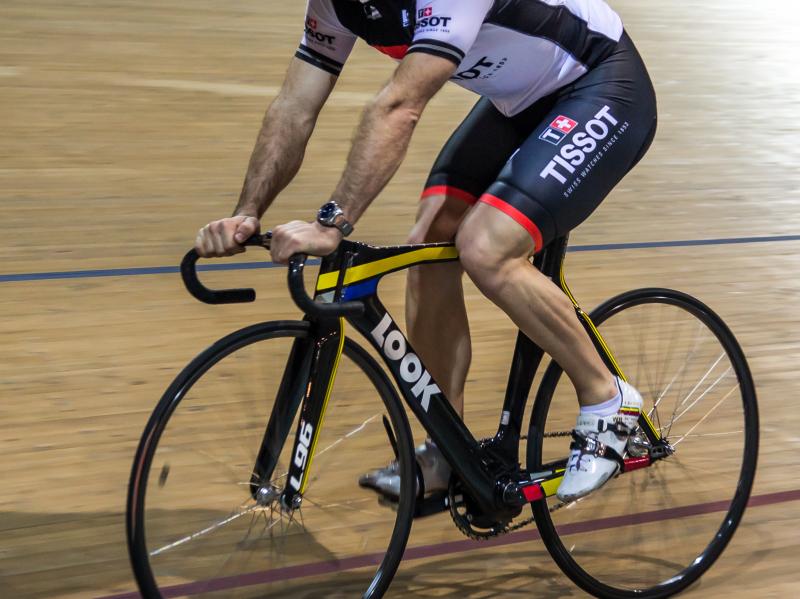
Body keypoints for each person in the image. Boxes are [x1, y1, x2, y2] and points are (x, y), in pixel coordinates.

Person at [195, 0, 657, 503]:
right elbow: (294, 106)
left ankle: (608, 402)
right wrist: (247, 211)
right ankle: (447, 452)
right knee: (429, 244)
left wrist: (332, 222)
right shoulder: (332, 5)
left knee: (485, 248)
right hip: (521, 102)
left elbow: (399, 106)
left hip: (602, 84)